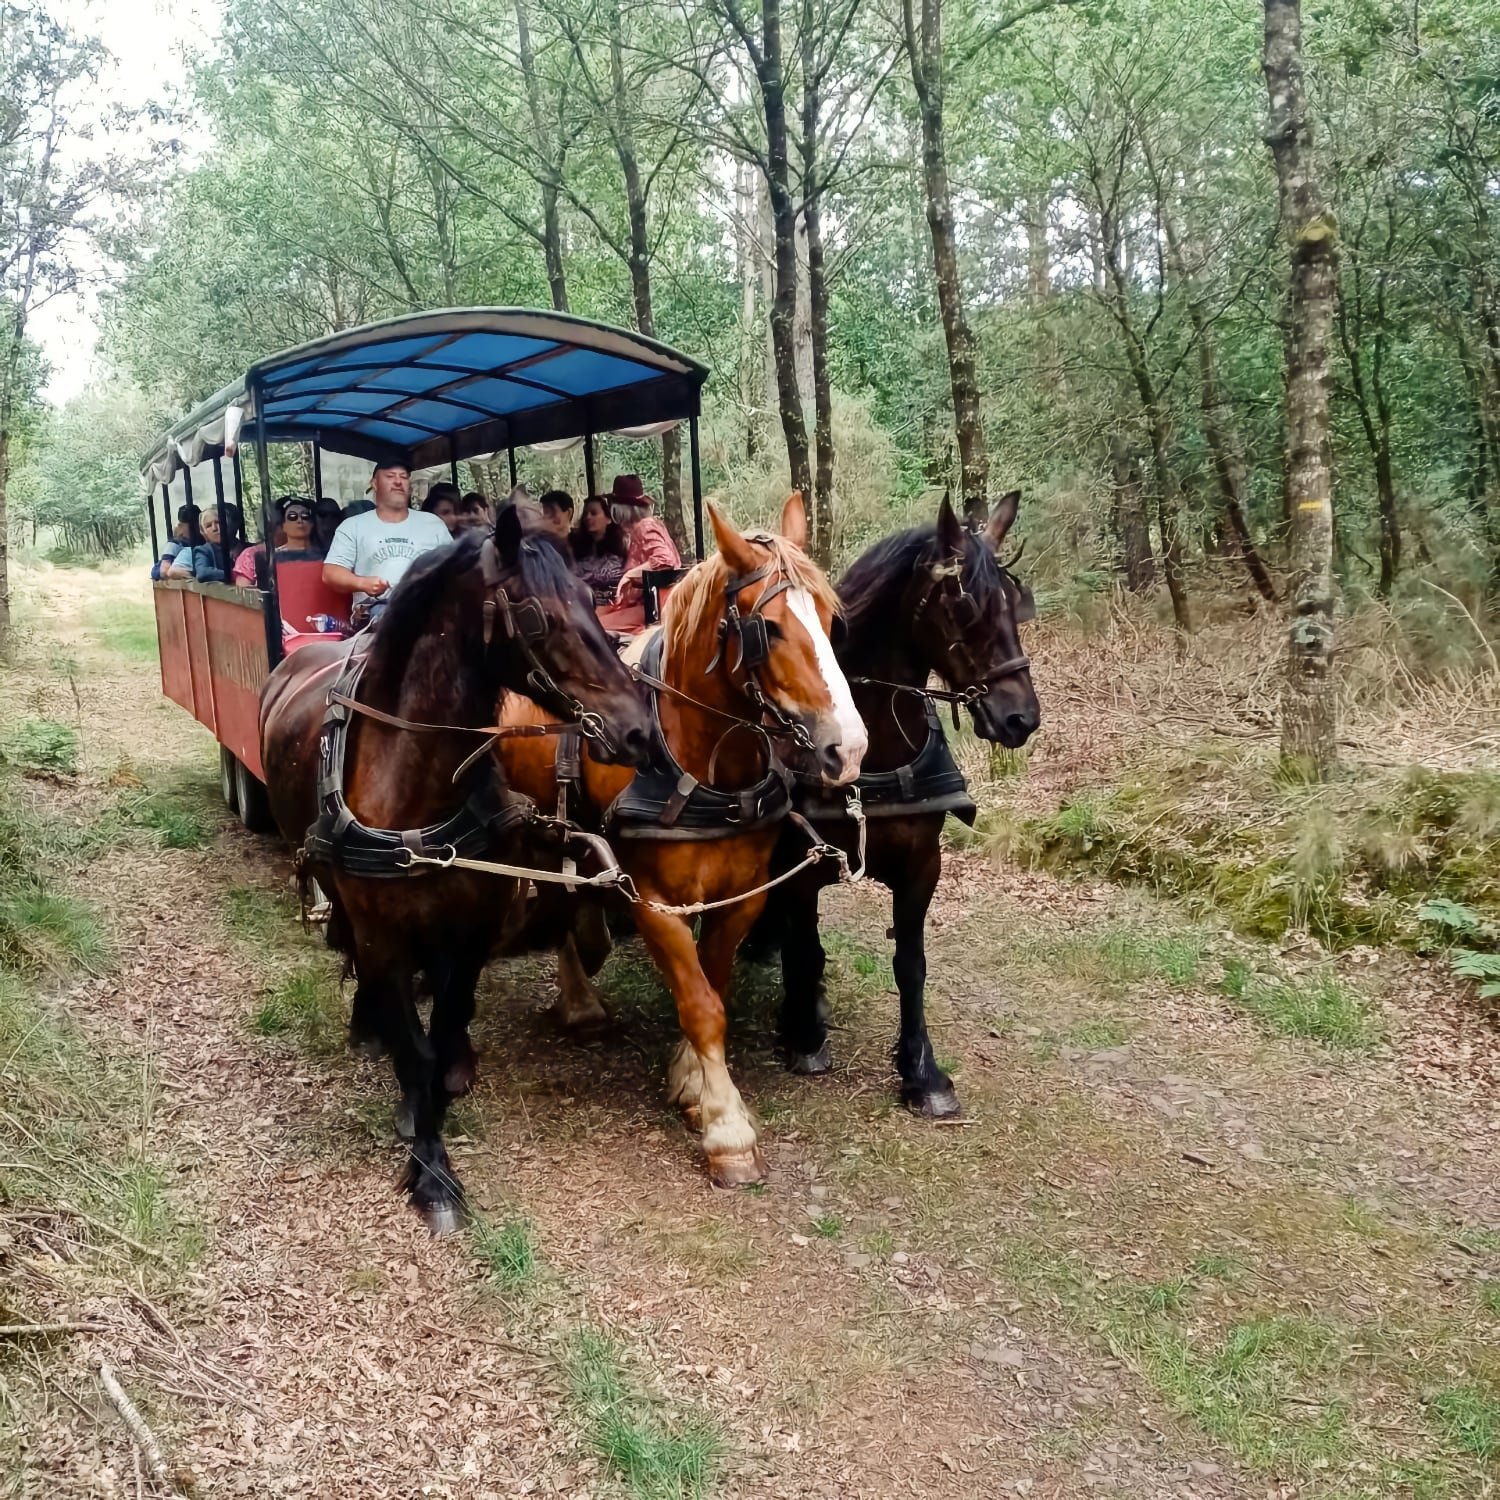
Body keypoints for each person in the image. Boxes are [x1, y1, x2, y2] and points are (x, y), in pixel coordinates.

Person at [323, 457, 452, 626]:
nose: (398, 481)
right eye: (390, 476)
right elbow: (330, 573)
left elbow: (455, 565)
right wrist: (363, 583)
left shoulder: (433, 523)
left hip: (429, 608)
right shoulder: (353, 526)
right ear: (375, 483)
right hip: (377, 612)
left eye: (404, 477)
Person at [610, 474, 681, 606]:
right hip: (644, 605)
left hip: (653, 608)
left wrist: (629, 575)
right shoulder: (642, 528)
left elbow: (665, 560)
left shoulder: (645, 526)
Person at [232, 498, 324, 588]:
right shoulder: (258, 556)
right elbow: (244, 594)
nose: (299, 521)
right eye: (291, 517)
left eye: (305, 516)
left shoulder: (324, 555)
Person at [569, 495, 628, 606]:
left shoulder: (623, 545)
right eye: (585, 514)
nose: (588, 517)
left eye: (594, 513)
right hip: (583, 605)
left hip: (615, 605)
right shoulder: (576, 545)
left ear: (608, 518)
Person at [165, 507, 229, 583]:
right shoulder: (200, 550)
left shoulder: (238, 548)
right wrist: (232, 575)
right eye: (208, 526)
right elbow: (202, 572)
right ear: (203, 532)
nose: (214, 528)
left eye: (218, 522)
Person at [151, 504, 200, 580]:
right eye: (191, 526)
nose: (197, 528)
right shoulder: (174, 544)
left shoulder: (202, 541)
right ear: (180, 526)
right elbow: (164, 571)